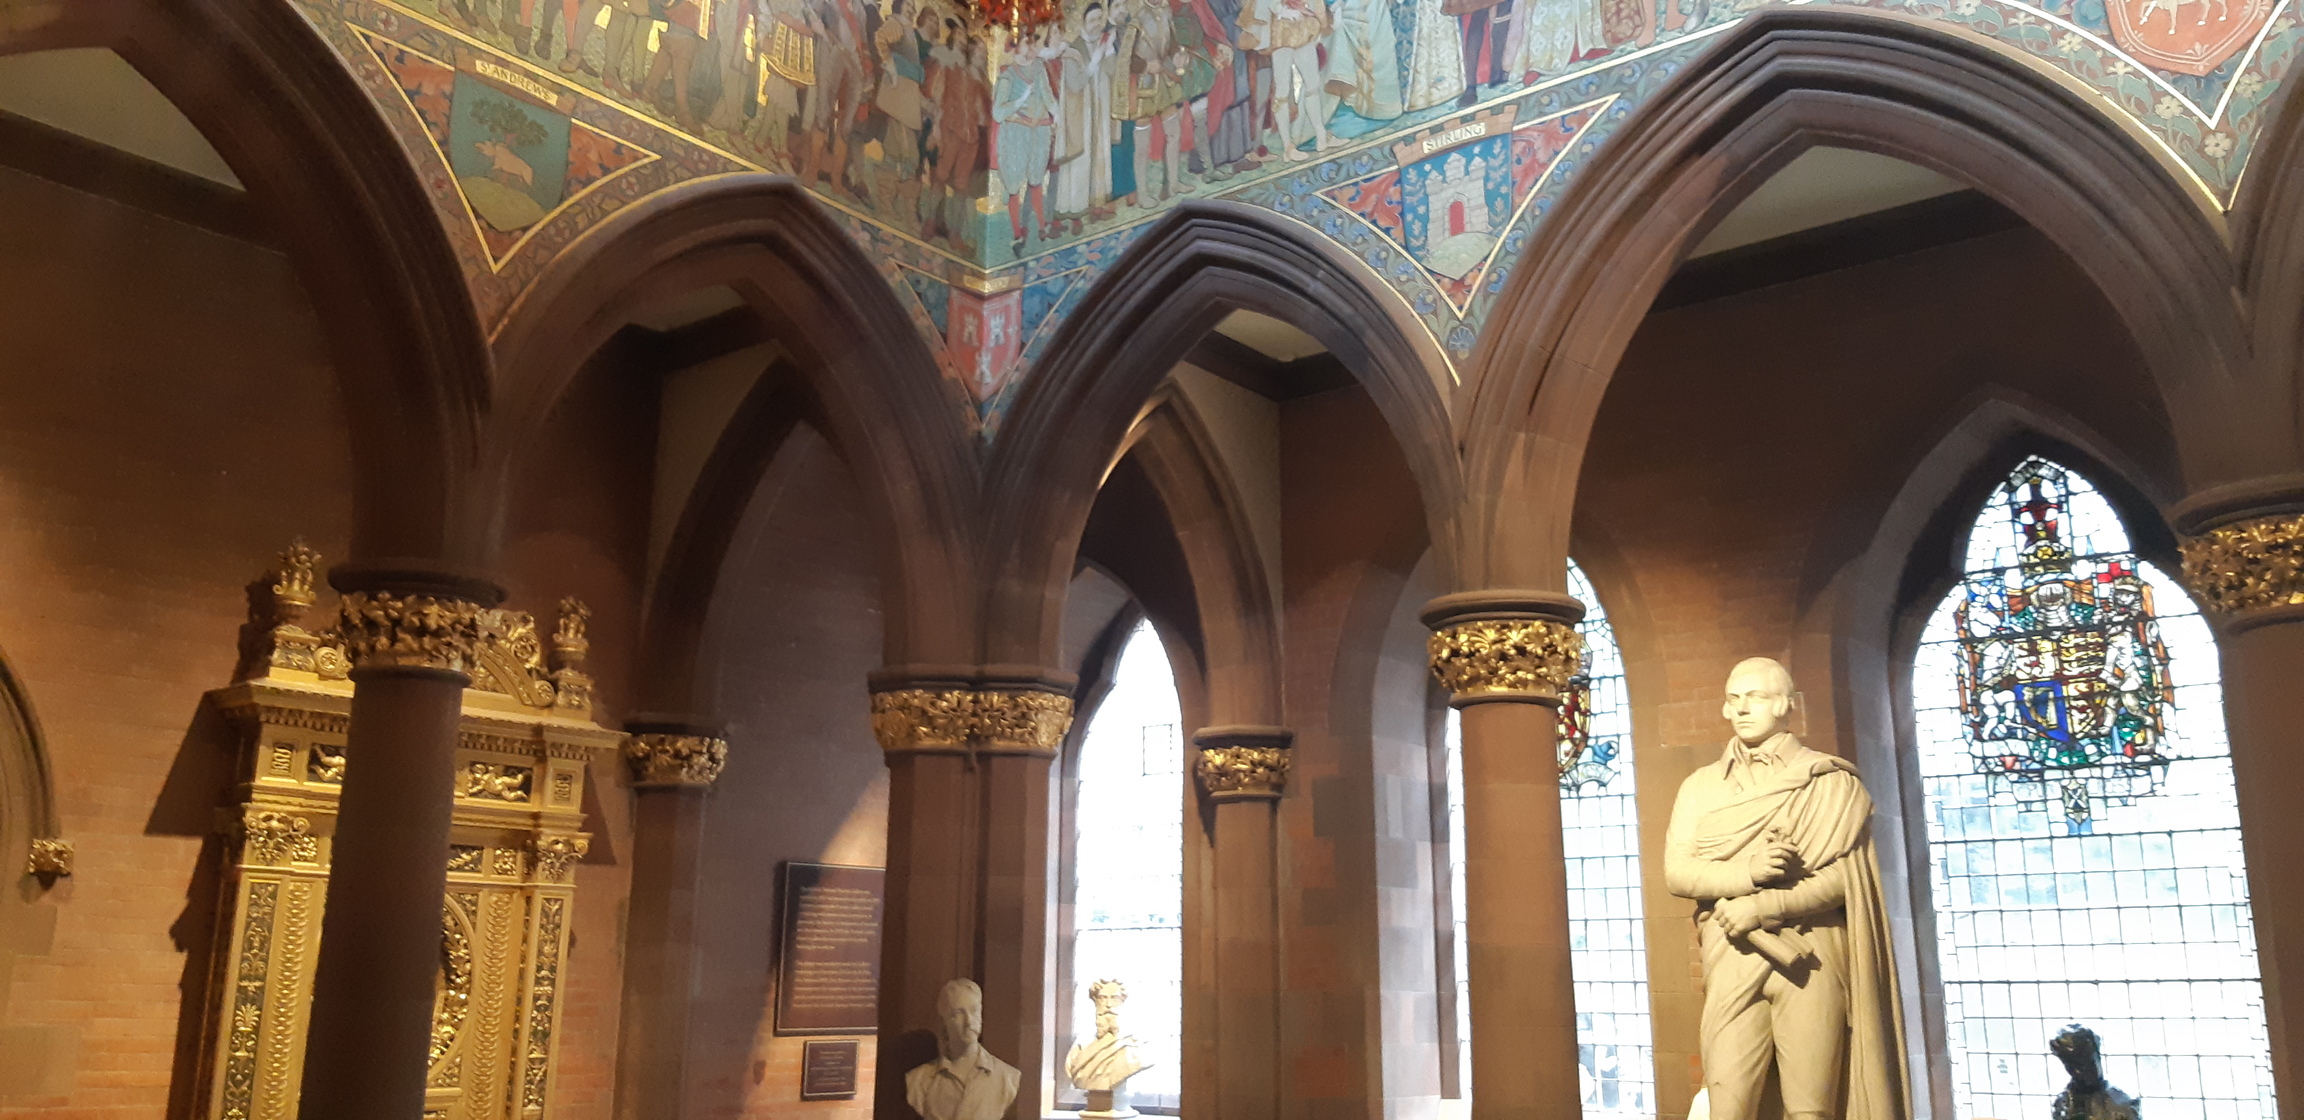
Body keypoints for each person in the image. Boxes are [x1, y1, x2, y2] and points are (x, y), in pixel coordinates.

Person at [1663, 658, 1908, 1120]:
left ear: (1784, 704)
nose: (1741, 709)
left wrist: (1765, 906)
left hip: (1812, 955)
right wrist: (1749, 872)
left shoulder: (1830, 781)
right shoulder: (1700, 787)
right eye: (1733, 699)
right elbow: (1678, 872)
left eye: (1755, 697)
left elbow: (1846, 878)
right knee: (1728, 1100)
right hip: (1732, 952)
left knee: (1810, 1107)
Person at [905, 978, 1022, 1120]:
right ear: (945, 1021)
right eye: (958, 1013)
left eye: (974, 1011)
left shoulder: (1007, 1078)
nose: (969, 1021)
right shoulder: (918, 1081)